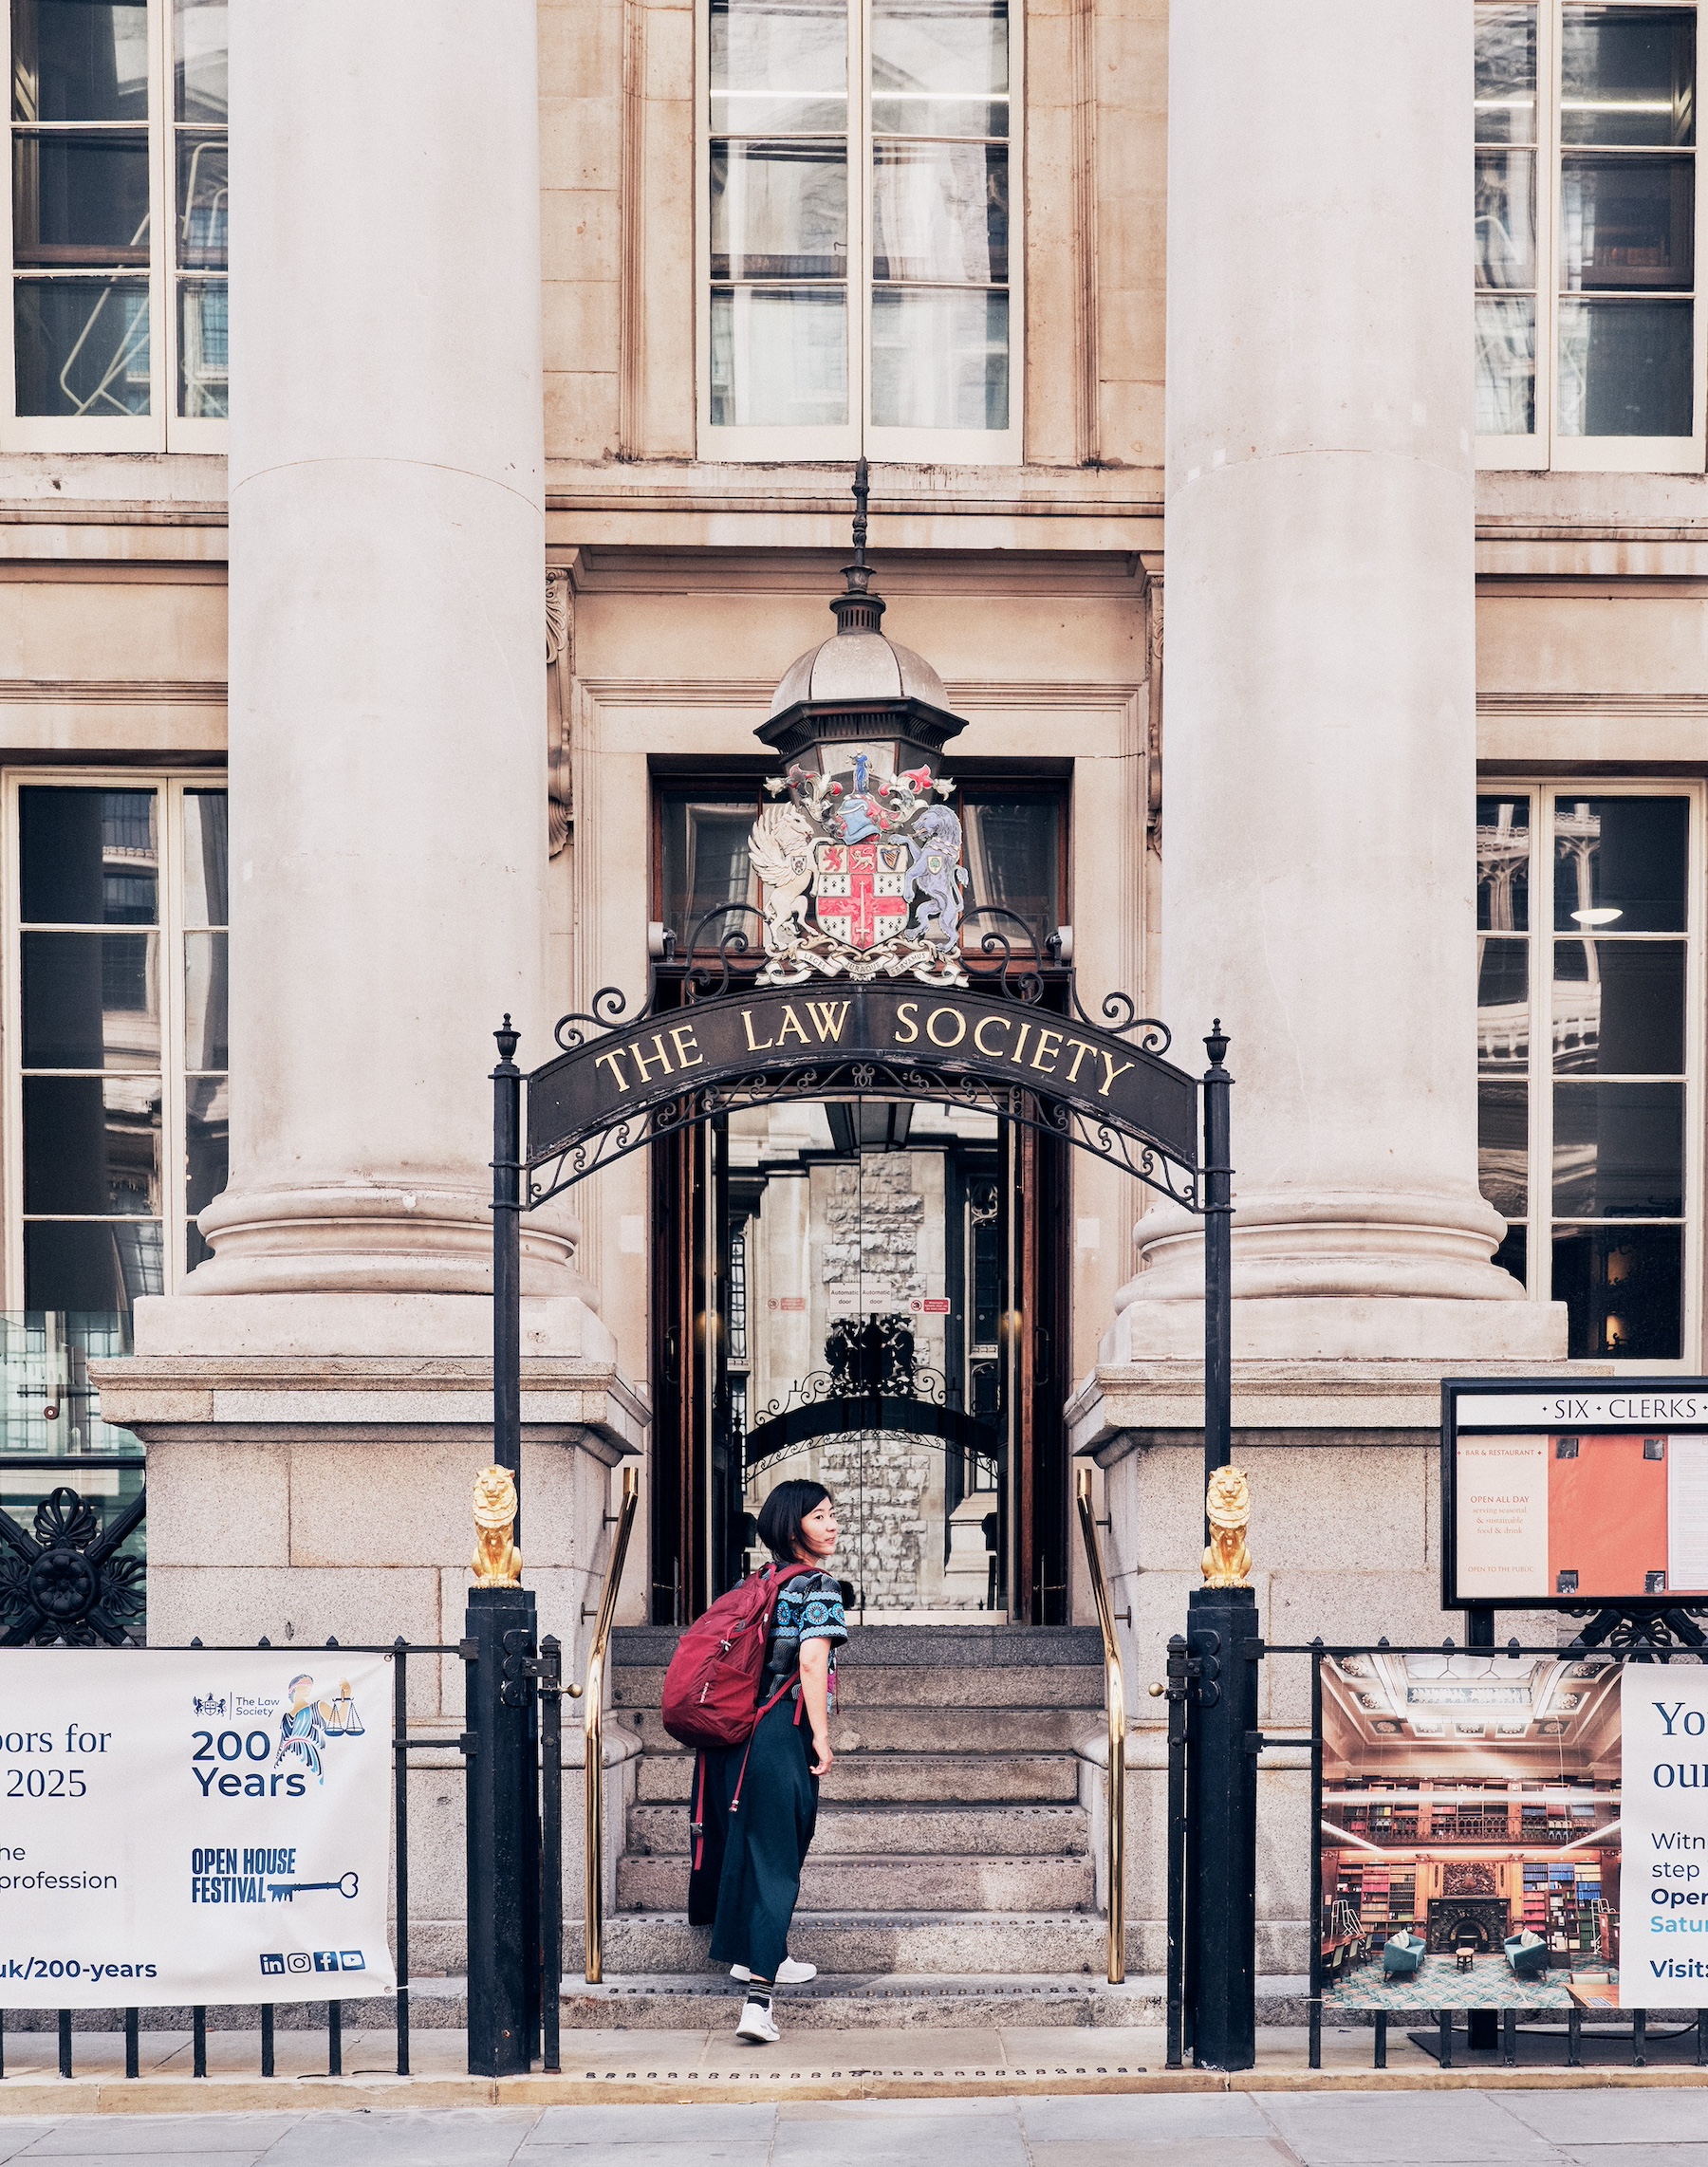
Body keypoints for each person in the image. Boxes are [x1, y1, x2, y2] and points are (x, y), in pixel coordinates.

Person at [687, 1478, 845, 2045]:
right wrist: (823, 1740)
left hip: (731, 1735)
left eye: (833, 1515)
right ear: (791, 1525)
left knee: (747, 1848)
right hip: (780, 1734)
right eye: (820, 1516)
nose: (832, 1525)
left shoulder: (754, 1582)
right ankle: (758, 2003)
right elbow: (810, 1665)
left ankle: (756, 1954)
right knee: (777, 1860)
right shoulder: (820, 1587)